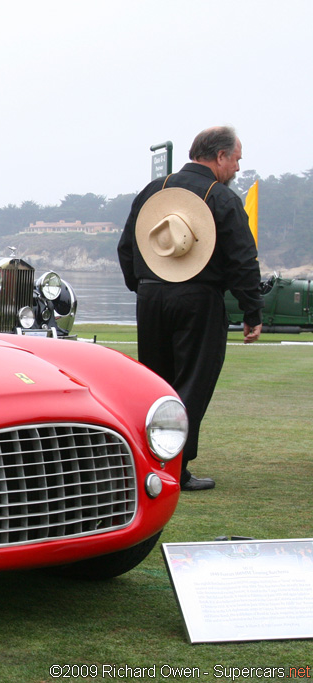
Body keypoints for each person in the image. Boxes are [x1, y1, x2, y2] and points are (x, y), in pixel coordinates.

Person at [117, 125, 263, 492]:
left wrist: (144, 285)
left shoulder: (155, 191)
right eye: (236, 160)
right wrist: (252, 312)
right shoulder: (222, 198)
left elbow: (126, 247)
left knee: (154, 383)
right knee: (192, 384)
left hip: (151, 297)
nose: (237, 169)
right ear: (219, 157)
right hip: (198, 298)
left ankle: (145, 463)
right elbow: (242, 261)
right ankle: (176, 469)